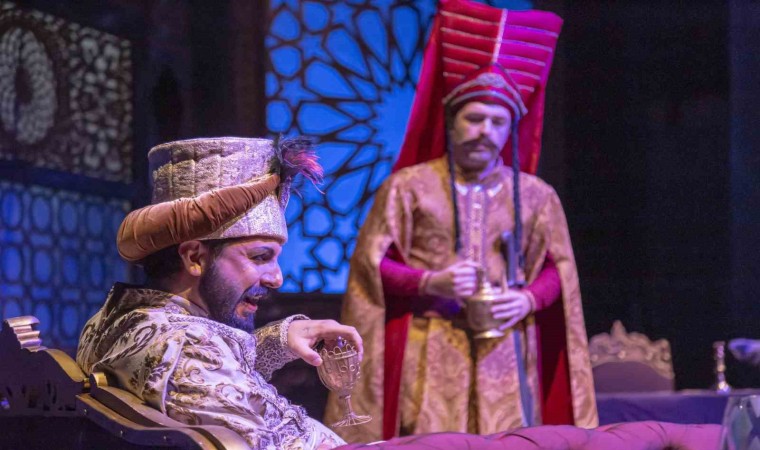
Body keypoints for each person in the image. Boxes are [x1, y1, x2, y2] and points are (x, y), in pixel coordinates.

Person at [325, 0, 597, 442]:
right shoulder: (408, 187)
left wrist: (527, 300)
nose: (485, 130)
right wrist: (431, 282)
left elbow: (557, 271)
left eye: (497, 121)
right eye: (474, 118)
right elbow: (372, 266)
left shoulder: (536, 194)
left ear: (509, 130)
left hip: (509, 350)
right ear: (452, 124)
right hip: (431, 346)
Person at [77, 137, 360, 450]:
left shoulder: (115, 322)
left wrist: (276, 341)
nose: (277, 278)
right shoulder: (186, 349)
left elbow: (208, 383)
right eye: (260, 257)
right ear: (195, 258)